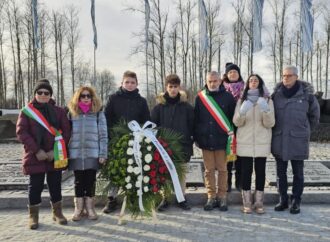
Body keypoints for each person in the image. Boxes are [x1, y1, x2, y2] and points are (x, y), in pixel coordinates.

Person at [16, 79, 71, 229]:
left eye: (46, 93)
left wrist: (54, 151)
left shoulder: (59, 112)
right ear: (35, 93)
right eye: (39, 92)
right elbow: (22, 132)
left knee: (55, 185)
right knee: (35, 186)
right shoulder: (27, 111)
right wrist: (37, 150)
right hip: (35, 155)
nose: (43, 95)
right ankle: (33, 216)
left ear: (50, 95)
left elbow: (66, 132)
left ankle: (57, 213)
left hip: (54, 155)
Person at [271, 65, 320, 214]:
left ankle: (296, 201)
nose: (286, 78)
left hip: (298, 140)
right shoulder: (275, 96)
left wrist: (304, 131)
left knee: (298, 173)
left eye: (289, 75)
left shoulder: (307, 96)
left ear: (296, 77)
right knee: (281, 173)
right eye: (284, 75)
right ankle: (283, 200)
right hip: (279, 140)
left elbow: (314, 117)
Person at [103, 70, 150, 213]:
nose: (130, 85)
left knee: (134, 170)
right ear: (122, 83)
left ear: (137, 84)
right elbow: (107, 119)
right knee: (115, 171)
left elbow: (146, 121)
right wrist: (113, 136)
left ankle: (132, 198)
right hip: (116, 142)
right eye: (127, 82)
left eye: (133, 82)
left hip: (135, 141)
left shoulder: (141, 101)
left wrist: (141, 136)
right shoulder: (113, 98)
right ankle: (112, 199)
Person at [151, 74, 194, 211]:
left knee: (181, 174)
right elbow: (153, 126)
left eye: (175, 87)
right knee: (165, 173)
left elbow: (192, 125)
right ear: (166, 87)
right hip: (164, 147)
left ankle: (181, 198)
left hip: (182, 145)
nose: (173, 89)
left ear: (179, 87)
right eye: (170, 87)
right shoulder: (159, 107)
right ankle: (166, 198)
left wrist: (191, 140)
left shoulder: (186, 107)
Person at [233, 74, 275, 214]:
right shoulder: (241, 100)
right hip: (245, 141)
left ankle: (259, 202)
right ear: (247, 84)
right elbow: (237, 122)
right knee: (246, 172)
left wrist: (266, 111)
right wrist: (242, 112)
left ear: (260, 83)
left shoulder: (268, 100)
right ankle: (247, 202)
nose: (253, 82)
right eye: (251, 80)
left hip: (261, 141)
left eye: (256, 80)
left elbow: (270, 123)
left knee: (261, 172)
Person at [194, 71, 236, 211]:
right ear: (206, 81)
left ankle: (222, 197)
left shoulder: (228, 97)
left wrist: (232, 137)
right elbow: (196, 120)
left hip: (222, 141)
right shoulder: (200, 97)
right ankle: (211, 197)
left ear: (220, 81)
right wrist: (198, 137)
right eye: (210, 81)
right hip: (206, 141)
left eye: (215, 81)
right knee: (209, 170)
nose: (212, 83)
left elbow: (232, 120)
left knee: (223, 170)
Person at [67, 86, 108, 221]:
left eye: (88, 96)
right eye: (82, 96)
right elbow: (67, 134)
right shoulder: (71, 113)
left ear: (92, 97)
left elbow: (103, 135)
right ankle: (78, 209)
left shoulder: (98, 113)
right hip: (76, 153)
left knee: (90, 181)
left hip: (93, 153)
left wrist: (103, 153)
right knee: (78, 182)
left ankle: (90, 208)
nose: (85, 98)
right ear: (78, 98)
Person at [222, 63, 245, 192]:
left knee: (240, 156)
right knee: (228, 157)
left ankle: (239, 182)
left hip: (241, 127)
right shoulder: (222, 89)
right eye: (230, 72)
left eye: (235, 72)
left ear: (239, 74)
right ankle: (227, 182)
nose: (232, 74)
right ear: (226, 75)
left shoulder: (245, 89)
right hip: (226, 127)